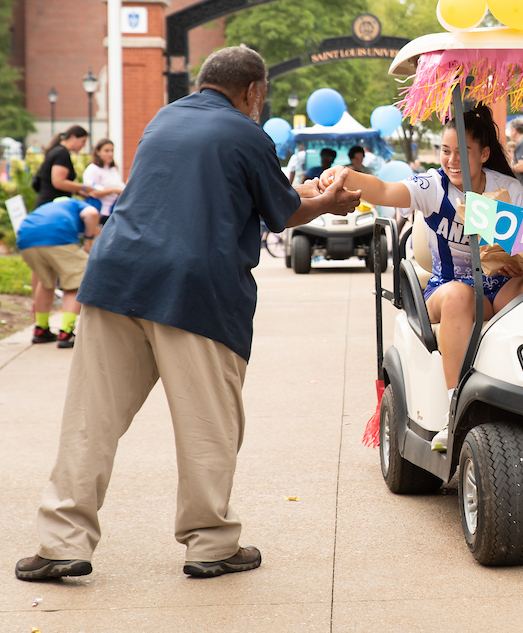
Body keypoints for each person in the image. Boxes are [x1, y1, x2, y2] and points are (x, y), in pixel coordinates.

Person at [15, 46, 361, 582]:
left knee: (91, 419)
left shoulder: (162, 119)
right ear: (252, 92)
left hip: (115, 276)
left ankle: (61, 541)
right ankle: (211, 543)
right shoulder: (248, 133)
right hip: (196, 285)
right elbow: (285, 211)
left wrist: (297, 194)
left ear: (201, 84)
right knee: (207, 425)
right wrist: (326, 201)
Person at [322, 105, 523, 452]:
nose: (452, 160)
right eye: (446, 151)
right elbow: (383, 190)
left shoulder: (509, 190)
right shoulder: (432, 185)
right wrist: (344, 175)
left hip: (499, 284)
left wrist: (520, 261)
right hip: (448, 286)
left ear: (484, 154)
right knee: (461, 296)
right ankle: (454, 411)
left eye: (463, 152)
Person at [18, 197, 99, 348]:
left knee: (46, 281)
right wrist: (88, 241)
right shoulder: (74, 204)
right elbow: (92, 213)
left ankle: (41, 330)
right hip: (57, 236)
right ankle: (66, 333)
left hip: (25, 238)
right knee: (74, 282)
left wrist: (34, 299)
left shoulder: (46, 209)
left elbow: (36, 275)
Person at [34, 125, 90, 207]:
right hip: (51, 205)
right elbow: (58, 182)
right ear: (73, 137)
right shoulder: (62, 153)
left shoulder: (57, 150)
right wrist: (83, 187)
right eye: (83, 141)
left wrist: (77, 192)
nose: (84, 145)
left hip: (49, 203)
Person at [81, 139, 125, 225]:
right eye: (106, 151)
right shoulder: (92, 169)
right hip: (100, 212)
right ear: (98, 152)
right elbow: (91, 192)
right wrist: (113, 190)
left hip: (114, 210)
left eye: (112, 151)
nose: (110, 154)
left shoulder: (113, 168)